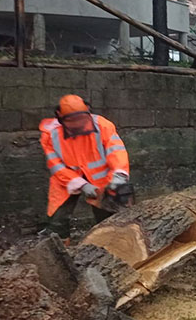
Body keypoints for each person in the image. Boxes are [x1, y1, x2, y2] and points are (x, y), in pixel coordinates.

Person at [39, 94, 130, 240]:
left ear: (88, 112)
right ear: (61, 118)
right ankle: (60, 249)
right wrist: (82, 185)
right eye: (73, 121)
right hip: (66, 180)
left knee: (110, 217)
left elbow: (116, 151)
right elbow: (57, 167)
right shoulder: (51, 136)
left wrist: (119, 175)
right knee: (57, 221)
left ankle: (110, 244)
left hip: (102, 178)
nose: (78, 125)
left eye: (81, 120)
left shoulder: (102, 126)